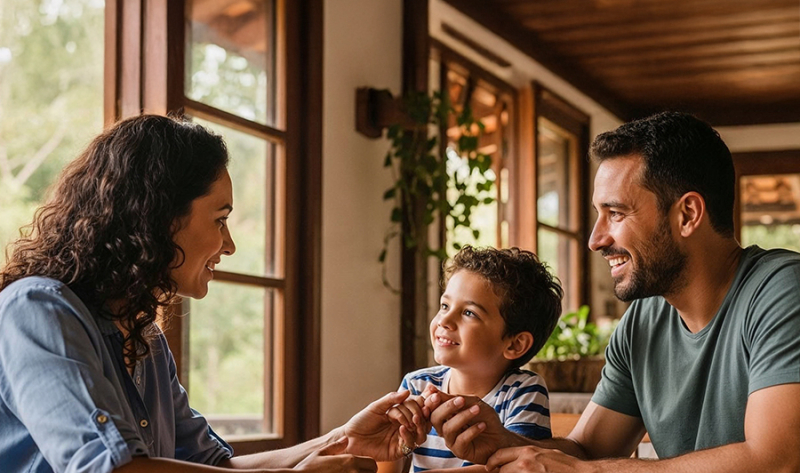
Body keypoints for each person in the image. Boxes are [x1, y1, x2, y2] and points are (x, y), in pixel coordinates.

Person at [0, 114, 425, 473]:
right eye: (220, 218)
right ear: (159, 216)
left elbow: (214, 465)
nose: (229, 244)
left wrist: (342, 439)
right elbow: (112, 468)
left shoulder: (144, 336)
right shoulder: (36, 310)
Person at [418, 112, 800, 472]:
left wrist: (588, 471)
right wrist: (500, 442)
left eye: (615, 213)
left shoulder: (783, 291)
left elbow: (776, 460)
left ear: (687, 214)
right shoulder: (642, 321)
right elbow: (588, 450)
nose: (595, 239)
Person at [377, 246, 563, 473]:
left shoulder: (522, 391)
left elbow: (517, 467)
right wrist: (400, 441)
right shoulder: (416, 384)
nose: (445, 320)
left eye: (469, 313)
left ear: (514, 344)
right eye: (445, 305)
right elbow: (390, 463)